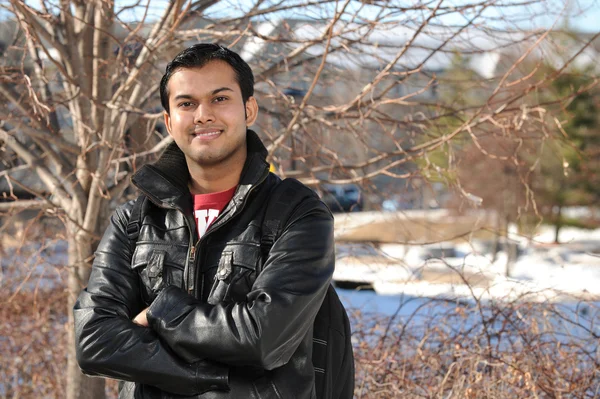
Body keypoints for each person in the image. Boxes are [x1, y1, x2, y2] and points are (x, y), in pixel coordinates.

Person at [73, 43, 336, 398]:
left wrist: (160, 313)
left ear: (249, 109)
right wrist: (209, 376)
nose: (203, 115)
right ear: (168, 121)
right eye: (186, 104)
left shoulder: (296, 212)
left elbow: (265, 338)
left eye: (220, 99)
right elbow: (94, 340)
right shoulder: (134, 221)